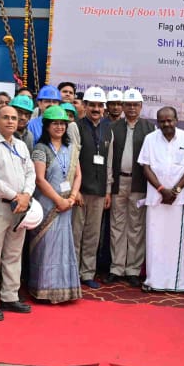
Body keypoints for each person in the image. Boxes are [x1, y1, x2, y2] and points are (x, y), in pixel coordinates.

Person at [0, 104, 37, 320]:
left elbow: (30, 173)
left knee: (13, 253)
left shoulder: (20, 145)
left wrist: (26, 195)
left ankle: (10, 296)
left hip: (20, 207)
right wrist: (15, 196)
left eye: (14, 118)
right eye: (6, 117)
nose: (11, 121)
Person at [139, 107, 184, 293]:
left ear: (176, 120)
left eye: (169, 120)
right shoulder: (150, 139)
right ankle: (154, 281)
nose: (166, 124)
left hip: (178, 200)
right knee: (155, 241)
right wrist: (161, 190)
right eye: (162, 121)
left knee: (176, 243)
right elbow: (146, 167)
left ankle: (178, 283)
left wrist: (175, 191)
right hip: (156, 198)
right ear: (157, 122)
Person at [29, 106, 82, 303]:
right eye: (55, 123)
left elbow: (78, 175)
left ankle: (64, 290)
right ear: (46, 126)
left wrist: (72, 197)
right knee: (46, 247)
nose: (59, 127)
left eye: (62, 124)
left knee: (63, 246)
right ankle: (44, 289)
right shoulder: (40, 149)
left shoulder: (71, 148)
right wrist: (59, 200)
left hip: (67, 204)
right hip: (47, 205)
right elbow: (39, 179)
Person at [109, 89, 156, 286]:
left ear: (141, 106)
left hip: (139, 184)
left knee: (136, 227)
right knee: (117, 225)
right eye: (128, 105)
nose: (131, 108)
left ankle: (133, 270)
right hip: (118, 182)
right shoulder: (113, 127)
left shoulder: (150, 128)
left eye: (135, 105)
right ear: (122, 106)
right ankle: (116, 267)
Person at [73, 87, 113, 289]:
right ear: (85, 106)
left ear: (104, 108)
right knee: (76, 234)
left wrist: (108, 191)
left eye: (99, 105)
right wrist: (75, 190)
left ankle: (87, 273)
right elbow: (72, 161)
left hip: (99, 192)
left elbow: (109, 162)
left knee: (92, 236)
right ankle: (72, 273)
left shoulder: (108, 129)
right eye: (92, 105)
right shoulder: (75, 127)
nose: (96, 109)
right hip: (80, 191)